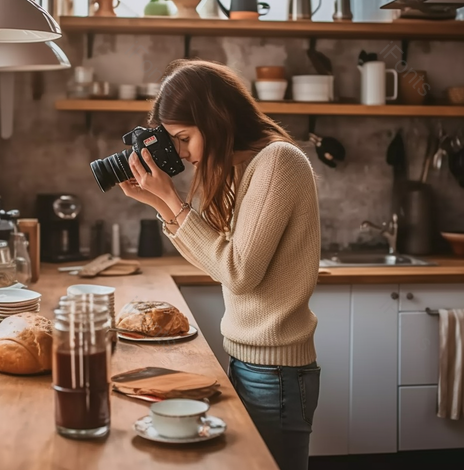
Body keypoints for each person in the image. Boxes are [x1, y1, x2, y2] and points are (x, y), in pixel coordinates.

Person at [118, 59, 321, 470]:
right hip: (251, 363)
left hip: (276, 371)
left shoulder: (278, 162)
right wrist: (159, 201)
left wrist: (172, 199)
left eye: (184, 138)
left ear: (216, 119)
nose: (181, 153)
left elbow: (238, 273)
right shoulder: (242, 168)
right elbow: (216, 259)